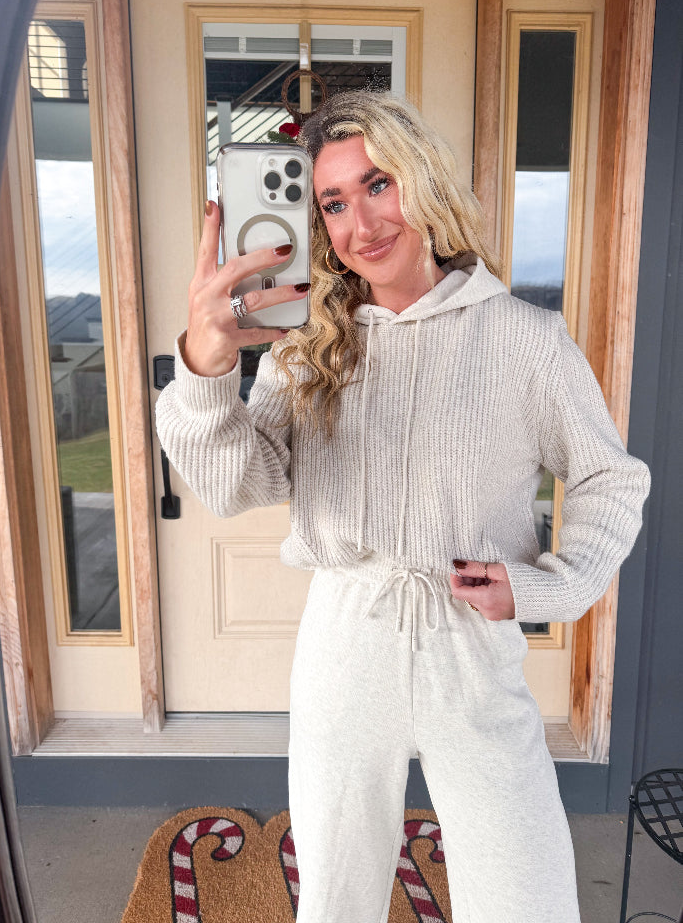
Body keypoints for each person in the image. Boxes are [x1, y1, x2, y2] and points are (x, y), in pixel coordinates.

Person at [156, 90, 651, 923]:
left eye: (378, 184)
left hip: (469, 644)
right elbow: (239, 486)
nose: (361, 223)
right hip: (347, 639)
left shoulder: (526, 340)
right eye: (333, 203)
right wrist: (207, 372)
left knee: (526, 895)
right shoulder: (305, 344)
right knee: (337, 894)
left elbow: (611, 478)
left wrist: (548, 586)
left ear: (423, 178)